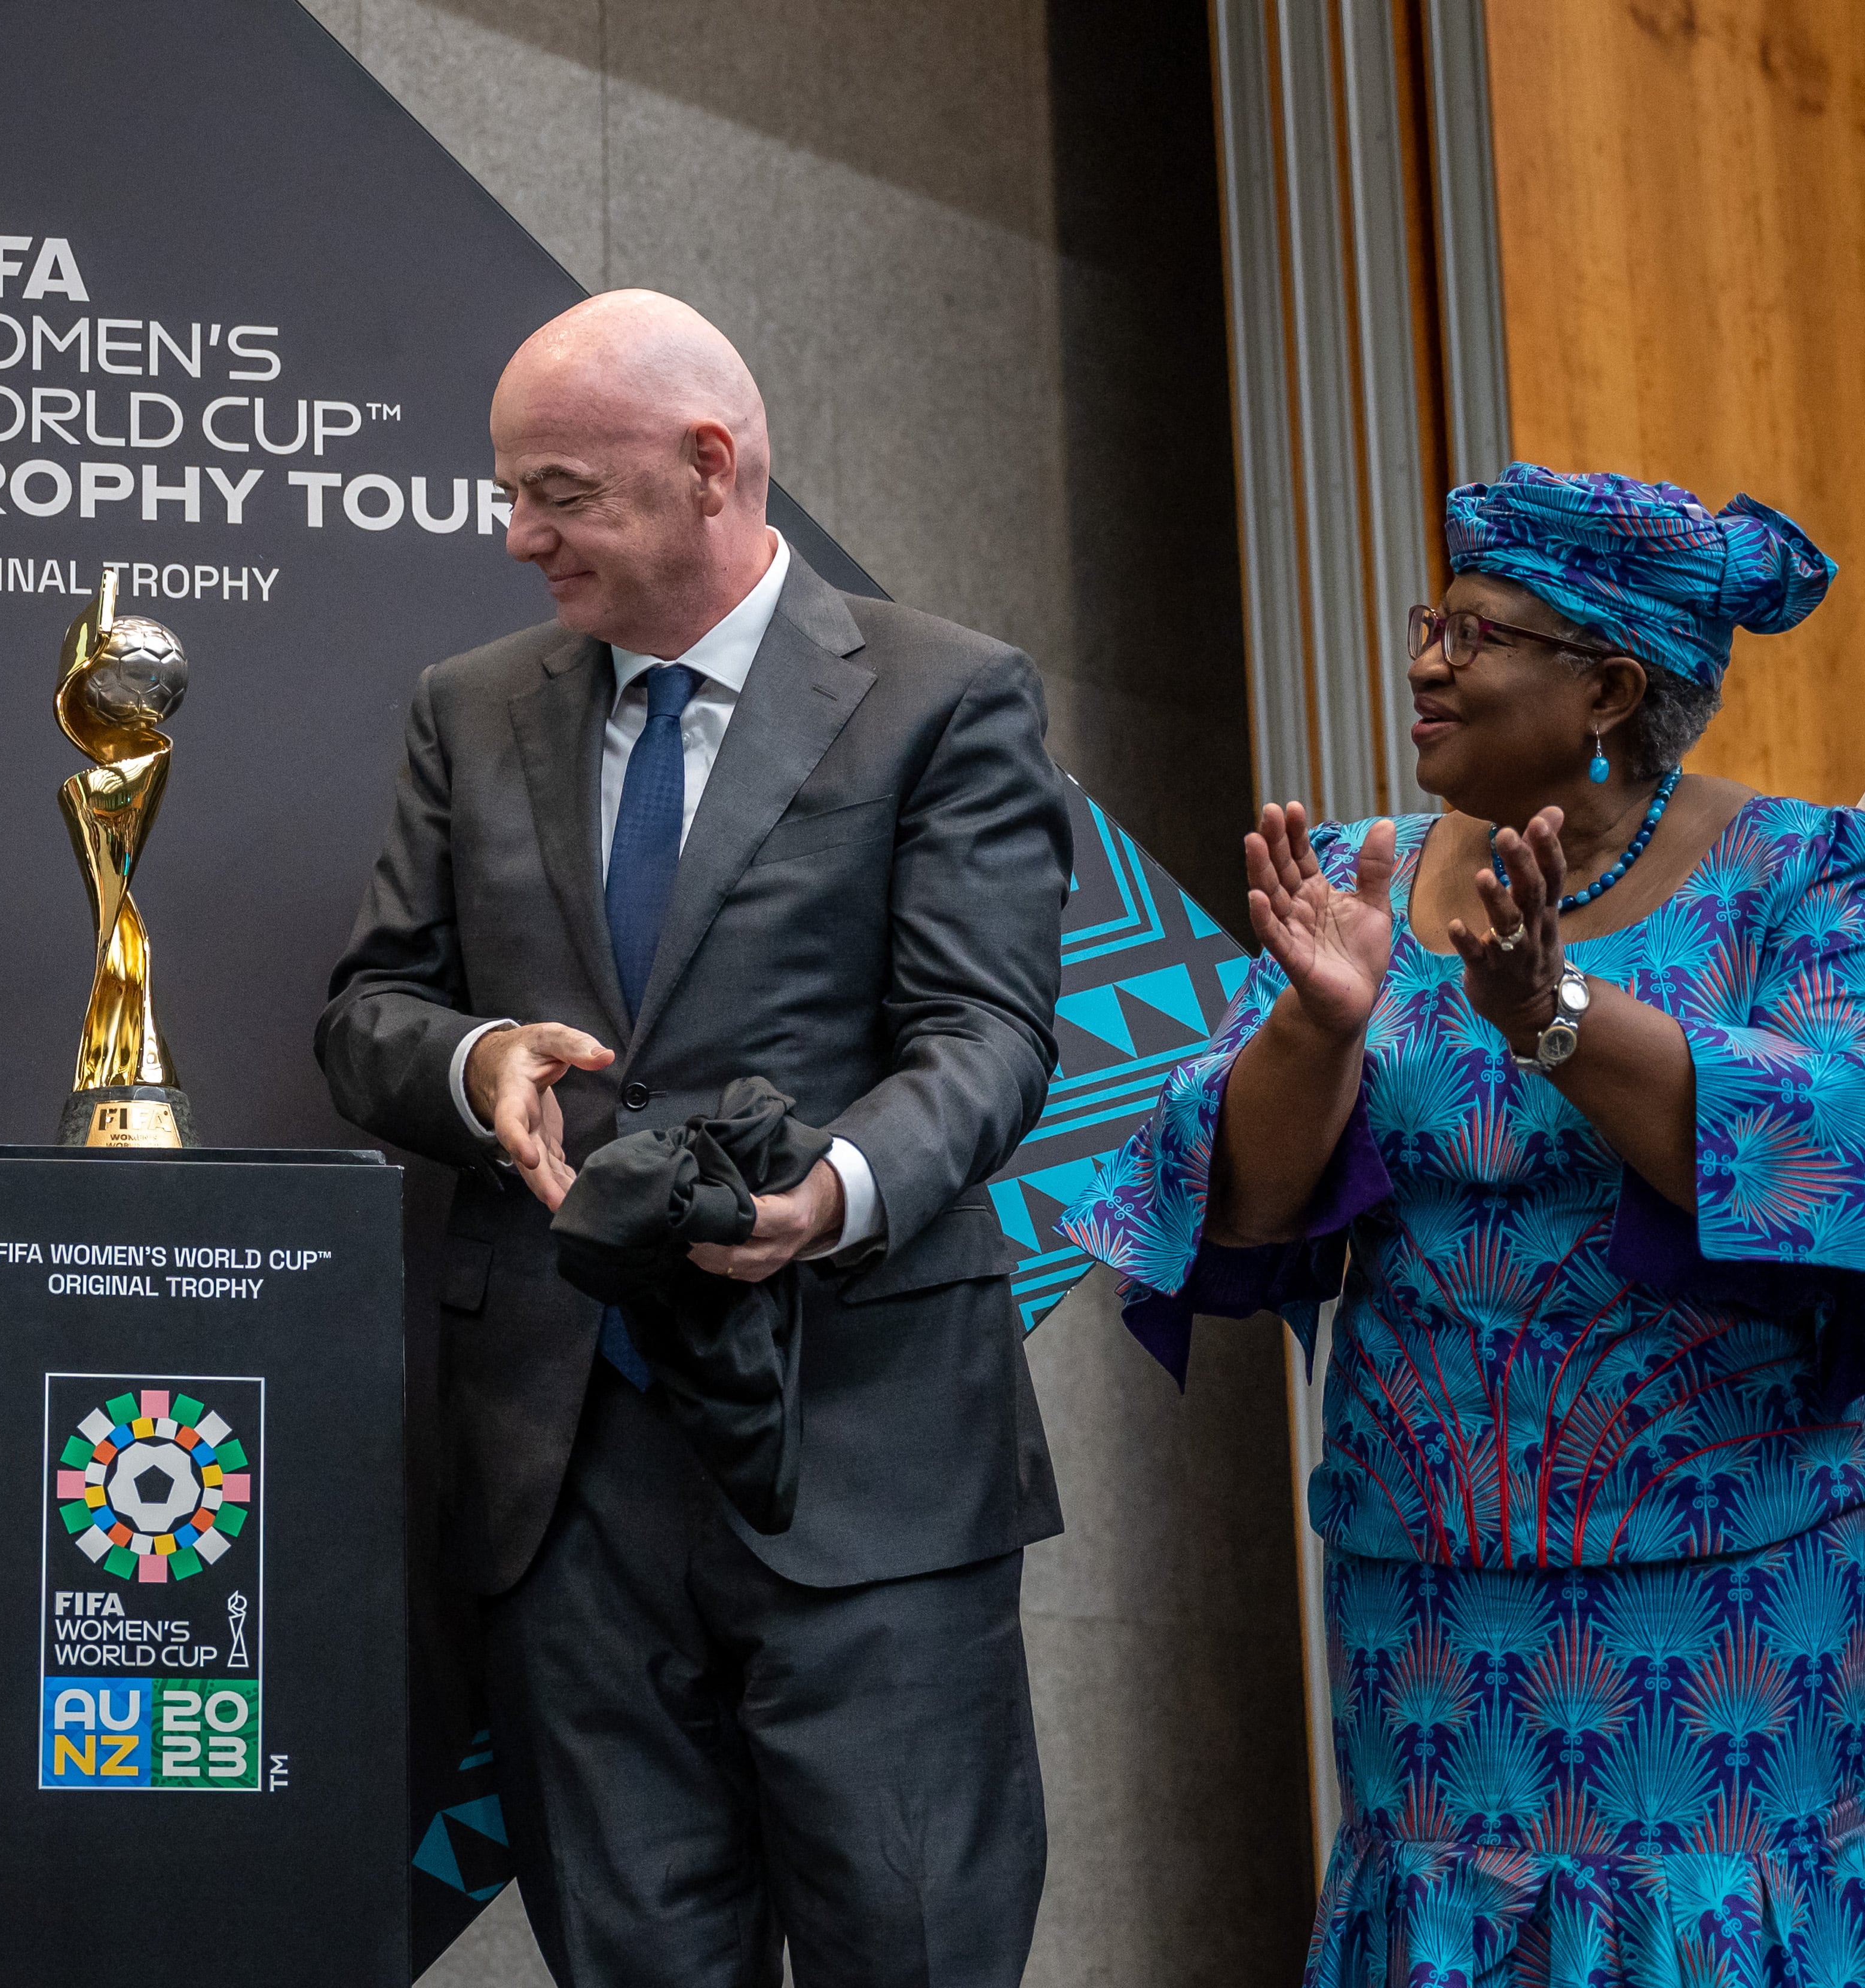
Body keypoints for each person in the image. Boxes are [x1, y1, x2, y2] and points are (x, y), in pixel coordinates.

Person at [317, 290, 1070, 1986]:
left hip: (866, 1455)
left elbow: (989, 1034)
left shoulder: (946, 699)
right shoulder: (468, 705)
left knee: (918, 1951)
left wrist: (826, 1197)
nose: (518, 538)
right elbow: (368, 1010)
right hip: (565, 1478)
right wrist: (482, 1056)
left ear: (708, 467)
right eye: (513, 493)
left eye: (559, 493)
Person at [1062, 465, 1849, 1978]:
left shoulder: (1800, 876)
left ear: (1609, 685)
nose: (1423, 662)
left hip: (1717, 1599)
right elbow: (1226, 1201)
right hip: (1425, 1601)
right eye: (1433, 622)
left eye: (1476, 634)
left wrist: (1552, 1012)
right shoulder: (1362, 878)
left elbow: (1828, 1153)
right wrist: (1322, 1022)